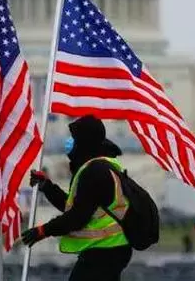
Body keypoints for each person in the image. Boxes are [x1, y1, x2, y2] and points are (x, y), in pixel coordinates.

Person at [20, 115, 132, 281]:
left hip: (104, 250)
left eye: (74, 139)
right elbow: (76, 207)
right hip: (110, 249)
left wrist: (43, 231)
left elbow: (77, 217)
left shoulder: (94, 172)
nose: (70, 143)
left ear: (84, 142)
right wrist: (47, 186)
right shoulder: (99, 166)